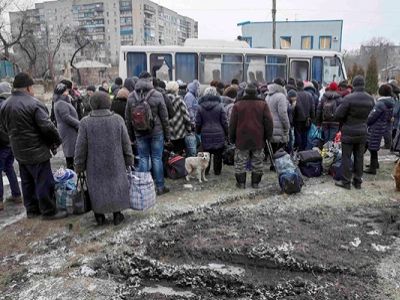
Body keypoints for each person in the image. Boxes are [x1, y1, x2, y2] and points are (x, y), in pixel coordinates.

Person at [0, 73, 65, 219]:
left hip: (19, 152)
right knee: (44, 182)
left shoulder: (5, 105)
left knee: (27, 181)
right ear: (28, 87)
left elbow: (3, 128)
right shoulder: (34, 104)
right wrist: (56, 141)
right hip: (37, 151)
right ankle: (49, 211)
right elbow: (47, 127)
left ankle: (32, 210)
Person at [75, 92, 133, 226]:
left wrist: (79, 165)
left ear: (92, 104)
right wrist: (129, 159)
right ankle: (117, 214)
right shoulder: (117, 119)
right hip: (116, 162)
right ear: (108, 102)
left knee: (97, 188)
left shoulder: (85, 122)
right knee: (115, 186)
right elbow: (126, 143)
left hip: (94, 165)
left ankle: (99, 216)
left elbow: (80, 147)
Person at [125, 71, 170, 196]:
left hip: (139, 132)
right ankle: (160, 186)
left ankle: (143, 187)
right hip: (157, 132)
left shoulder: (131, 97)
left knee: (144, 158)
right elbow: (164, 117)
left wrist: (131, 136)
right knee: (156, 158)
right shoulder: (158, 94)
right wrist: (167, 135)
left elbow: (128, 119)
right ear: (150, 81)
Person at [230, 83, 273, 189]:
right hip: (258, 137)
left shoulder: (237, 105)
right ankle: (255, 183)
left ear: (245, 92)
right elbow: (269, 122)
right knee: (257, 161)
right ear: (257, 92)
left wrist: (232, 137)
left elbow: (232, 124)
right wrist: (268, 136)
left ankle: (241, 183)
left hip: (241, 138)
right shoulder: (263, 104)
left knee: (240, 162)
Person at [334, 75, 374, 190]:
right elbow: (372, 114)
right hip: (362, 131)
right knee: (359, 157)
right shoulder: (370, 99)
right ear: (363, 85)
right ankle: (358, 182)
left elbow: (338, 115)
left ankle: (346, 182)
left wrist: (345, 121)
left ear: (354, 85)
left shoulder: (348, 98)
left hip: (348, 132)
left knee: (346, 157)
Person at [196, 87, 228, 176]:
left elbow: (198, 122)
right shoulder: (220, 106)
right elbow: (225, 121)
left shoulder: (200, 107)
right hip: (219, 133)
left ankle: (205, 171)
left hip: (205, 133)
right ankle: (217, 171)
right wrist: (227, 132)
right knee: (218, 154)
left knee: (206, 153)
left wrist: (198, 131)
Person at [0, 82, 22, 211]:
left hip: (2, 143)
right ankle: (17, 194)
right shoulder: (12, 104)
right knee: (9, 168)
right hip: (11, 142)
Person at [364, 84, 395, 174]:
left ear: (381, 92)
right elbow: (389, 117)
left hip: (375, 127)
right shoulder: (390, 103)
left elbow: (371, 117)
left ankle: (372, 168)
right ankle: (375, 163)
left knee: (372, 147)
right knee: (374, 146)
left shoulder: (380, 103)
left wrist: (366, 122)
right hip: (382, 126)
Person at [53, 82, 80, 170]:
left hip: (69, 130)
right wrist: (78, 124)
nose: (68, 92)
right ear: (62, 92)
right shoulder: (61, 103)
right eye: (66, 90)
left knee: (71, 151)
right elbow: (66, 117)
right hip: (68, 131)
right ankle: (71, 172)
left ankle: (72, 171)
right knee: (70, 152)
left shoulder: (63, 101)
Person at [265, 79, 290, 159]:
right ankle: (277, 165)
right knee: (278, 149)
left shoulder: (268, 96)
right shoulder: (281, 96)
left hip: (269, 125)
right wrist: (287, 126)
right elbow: (283, 113)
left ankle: (272, 164)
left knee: (272, 146)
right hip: (279, 126)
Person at [166, 81, 191, 155]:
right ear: (176, 89)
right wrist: (189, 129)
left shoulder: (164, 99)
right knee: (179, 154)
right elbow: (186, 116)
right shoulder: (179, 99)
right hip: (180, 132)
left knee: (169, 154)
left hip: (168, 131)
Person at [293, 80, 315, 151]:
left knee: (298, 134)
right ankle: (304, 150)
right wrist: (312, 117)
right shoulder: (309, 95)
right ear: (303, 86)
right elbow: (312, 107)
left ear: (296, 86)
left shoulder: (295, 95)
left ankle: (299, 149)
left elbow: (292, 108)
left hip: (297, 119)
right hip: (307, 119)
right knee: (305, 135)